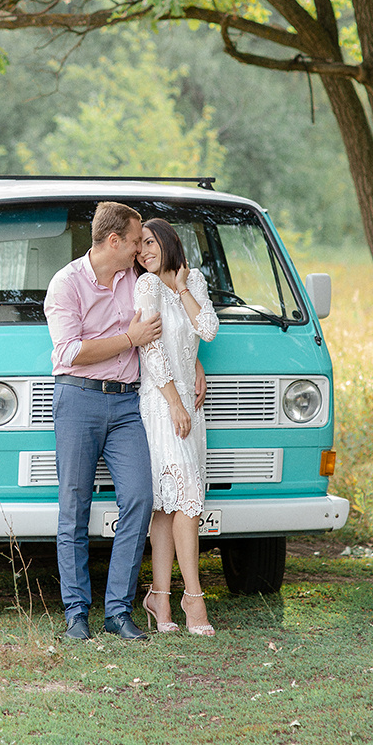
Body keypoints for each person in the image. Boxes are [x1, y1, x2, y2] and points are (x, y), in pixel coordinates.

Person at [44, 202, 163, 643]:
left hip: (127, 404)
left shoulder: (138, 280)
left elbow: (167, 322)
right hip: (78, 399)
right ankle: (76, 613)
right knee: (74, 507)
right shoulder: (66, 283)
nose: (139, 249)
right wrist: (128, 339)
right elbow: (69, 352)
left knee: (140, 498)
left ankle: (118, 611)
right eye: (134, 241)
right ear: (114, 241)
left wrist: (195, 366)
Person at [134, 218, 219, 636]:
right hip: (161, 401)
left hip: (190, 402)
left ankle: (160, 598)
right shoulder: (146, 285)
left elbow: (208, 330)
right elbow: (150, 349)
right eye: (138, 247)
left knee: (169, 506)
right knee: (186, 499)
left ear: (168, 241)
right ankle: (194, 598)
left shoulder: (193, 280)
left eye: (149, 243)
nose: (143, 252)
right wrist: (173, 403)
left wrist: (183, 287)